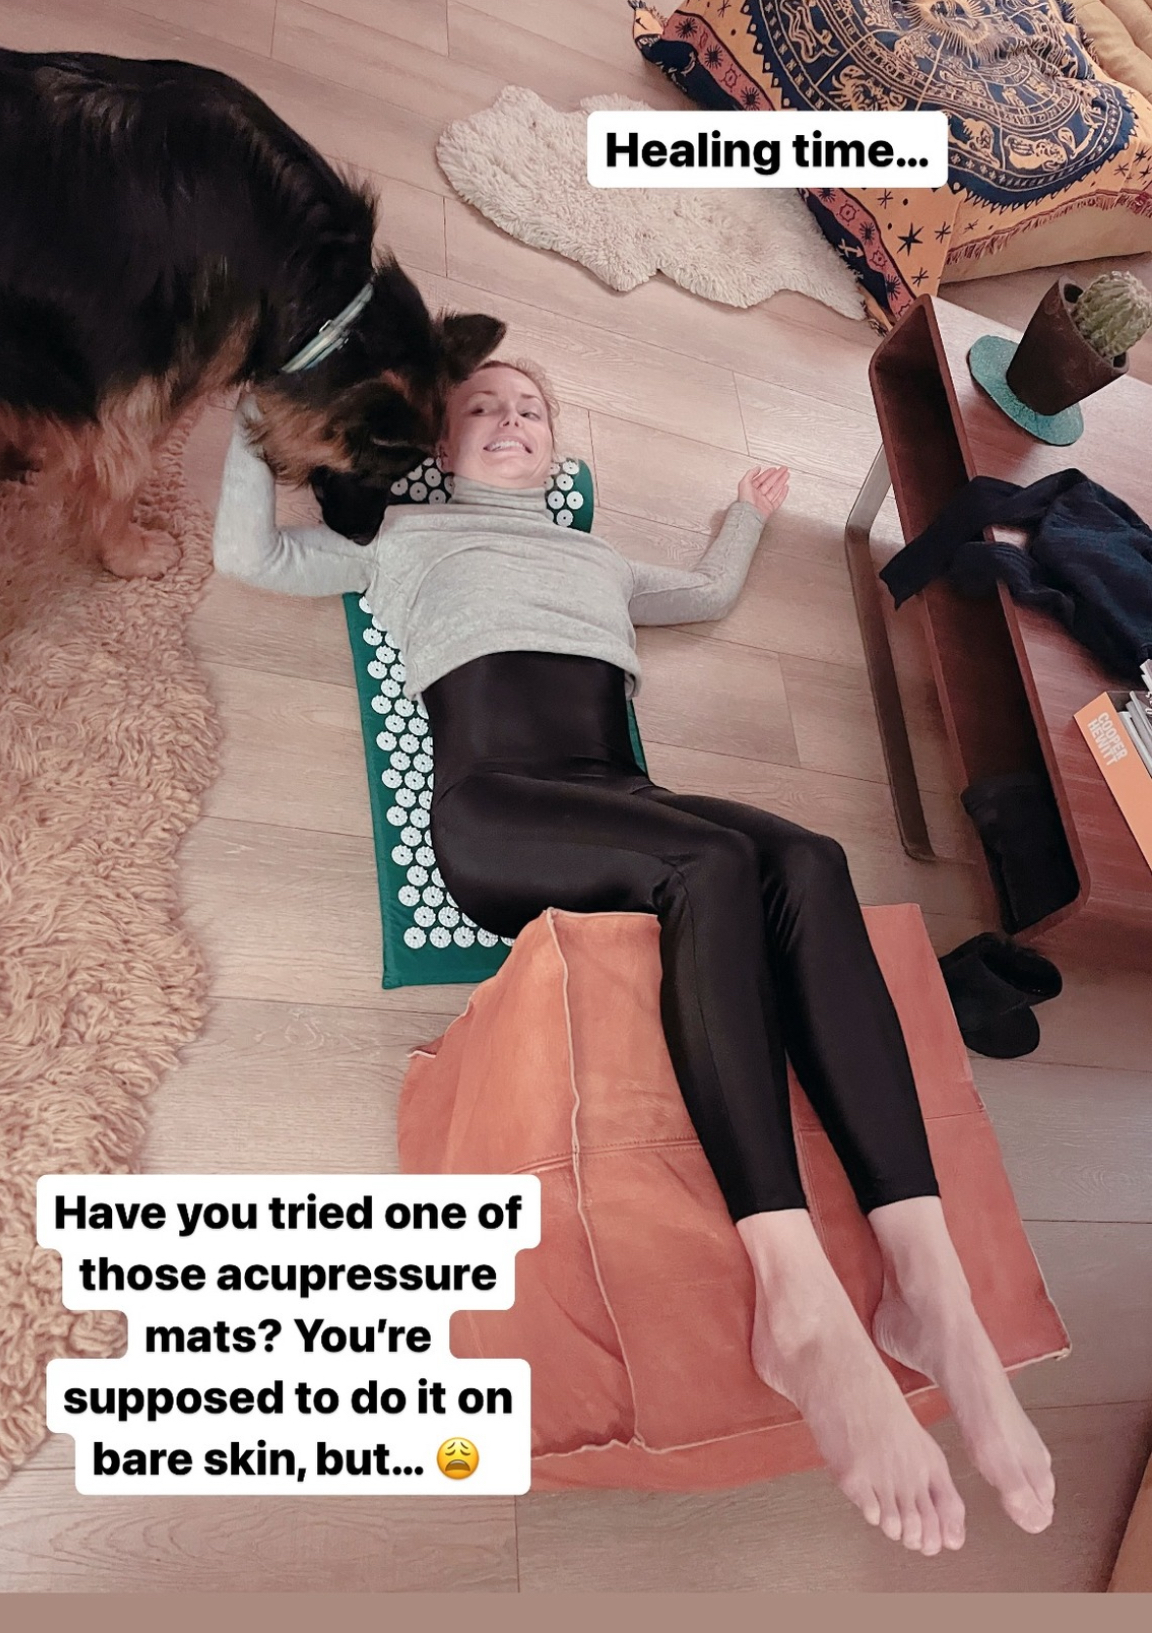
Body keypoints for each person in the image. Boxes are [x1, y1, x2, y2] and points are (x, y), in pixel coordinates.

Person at [213, 357, 1055, 1554]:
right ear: (439, 447)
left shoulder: (597, 557)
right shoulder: (397, 535)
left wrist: (747, 516)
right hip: (499, 816)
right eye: (480, 408)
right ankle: (794, 1294)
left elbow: (703, 595)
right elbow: (251, 554)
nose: (509, 418)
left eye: (531, 408)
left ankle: (932, 1290)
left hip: (621, 799)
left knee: (807, 857)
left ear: (555, 449)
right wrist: (259, 413)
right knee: (707, 868)